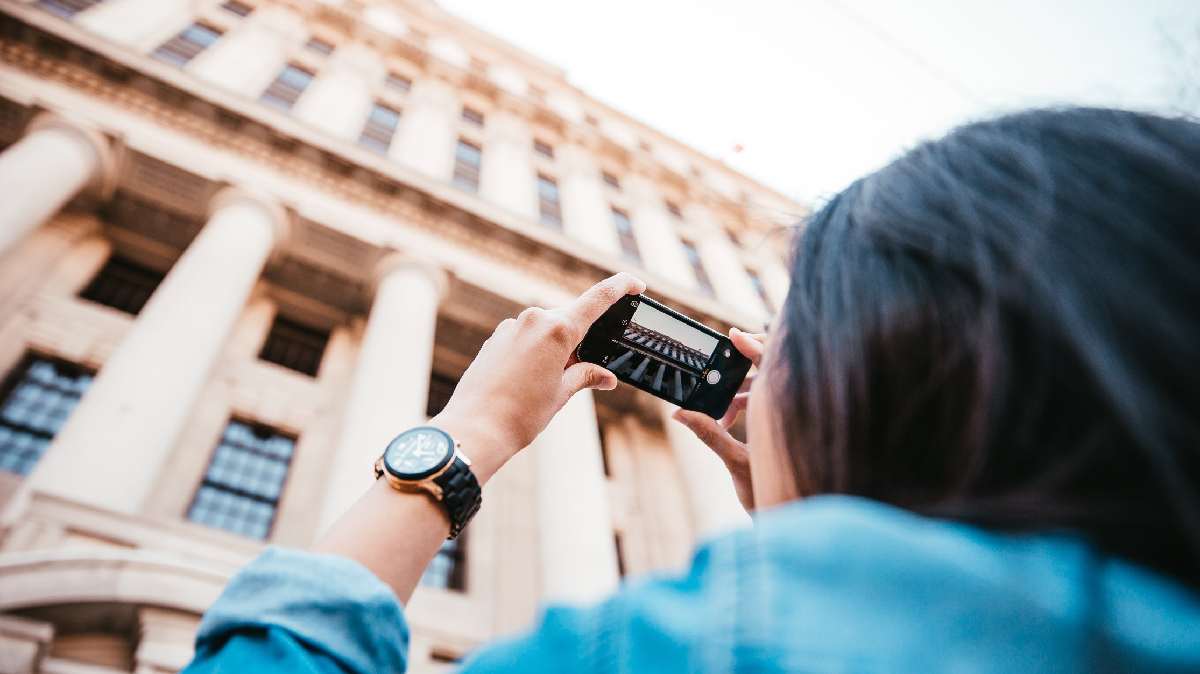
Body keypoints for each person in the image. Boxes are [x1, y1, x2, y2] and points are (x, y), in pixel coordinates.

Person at [182, 108, 1200, 673]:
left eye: (790, 323)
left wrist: (463, 442)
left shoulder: (735, 635)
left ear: (885, 374)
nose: (756, 350)